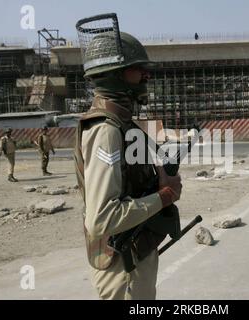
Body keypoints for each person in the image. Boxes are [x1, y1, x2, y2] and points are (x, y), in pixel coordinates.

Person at [74, 14, 182, 300]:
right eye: (137, 69)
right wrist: (165, 196)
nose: (146, 75)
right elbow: (101, 219)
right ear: (115, 75)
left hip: (133, 254)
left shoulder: (123, 125)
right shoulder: (106, 131)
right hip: (122, 265)